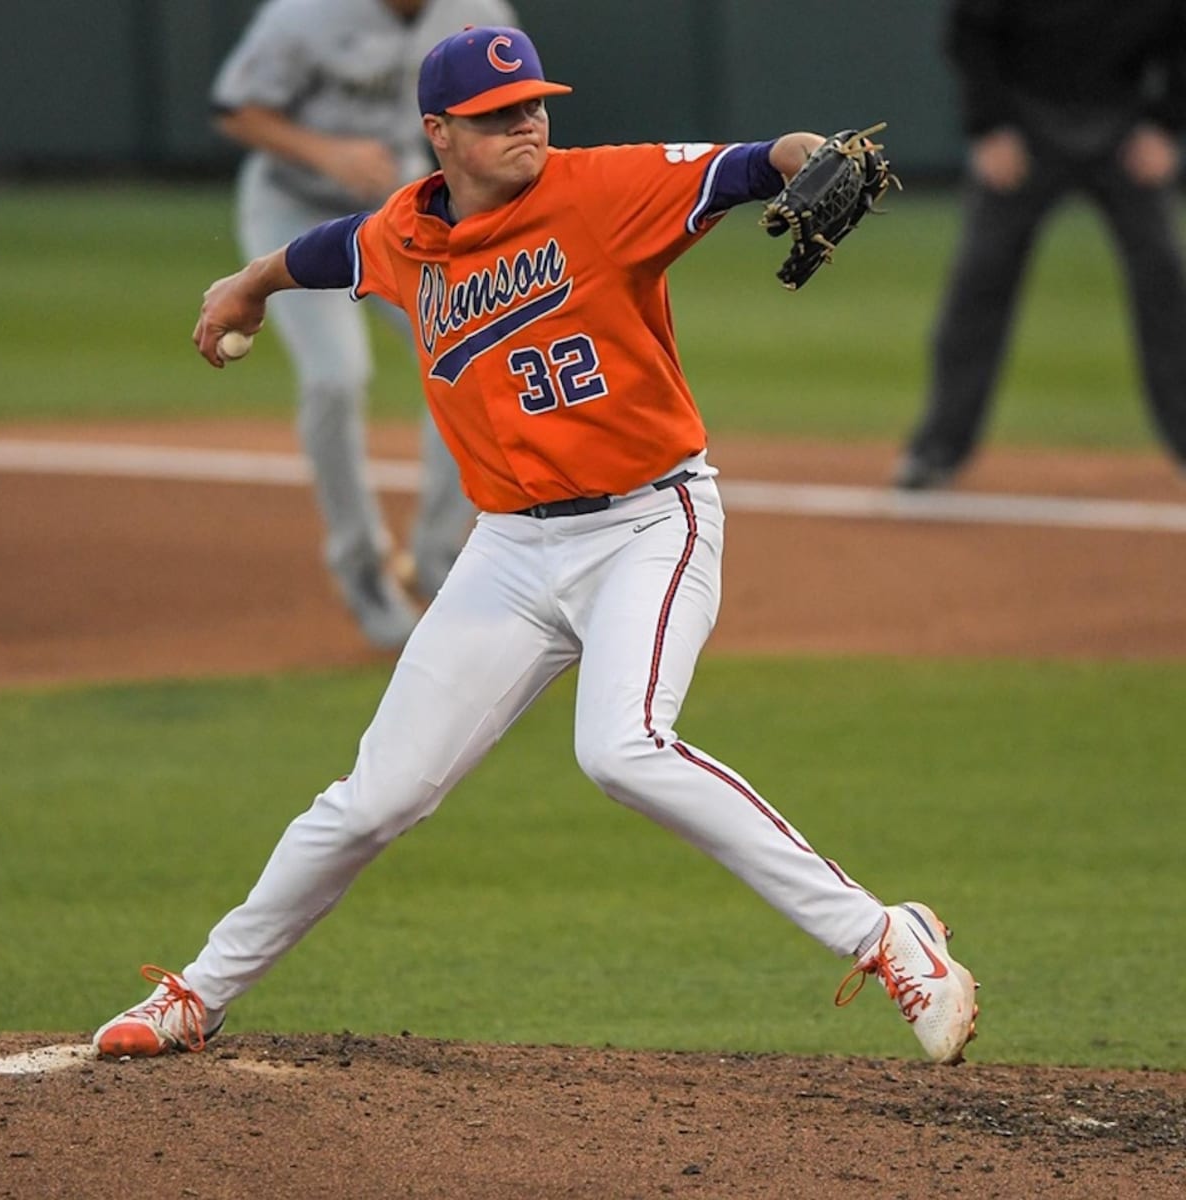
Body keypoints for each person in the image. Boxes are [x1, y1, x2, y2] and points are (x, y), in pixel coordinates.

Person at [93, 26, 980, 1065]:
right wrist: (250, 281)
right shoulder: (403, 233)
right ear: (439, 135)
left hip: (649, 523)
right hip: (510, 553)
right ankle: (195, 994)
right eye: (498, 114)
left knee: (622, 749)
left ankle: (887, 936)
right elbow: (334, 248)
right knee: (373, 797)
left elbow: (749, 164)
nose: (527, 124)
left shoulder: (605, 188)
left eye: (533, 104)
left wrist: (804, 155)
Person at [211, 0, 517, 645]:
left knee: (474, 363)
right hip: (293, 211)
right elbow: (237, 106)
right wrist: (327, 153)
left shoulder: (478, 13)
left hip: (408, 213)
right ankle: (361, 571)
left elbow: (507, 111)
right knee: (336, 379)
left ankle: (440, 557)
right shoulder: (303, 15)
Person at [894, 0, 1186, 490]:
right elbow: (970, 33)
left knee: (1163, 279)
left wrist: (1165, 124)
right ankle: (938, 448)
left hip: (1124, 124)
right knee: (980, 280)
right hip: (1023, 126)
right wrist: (988, 126)